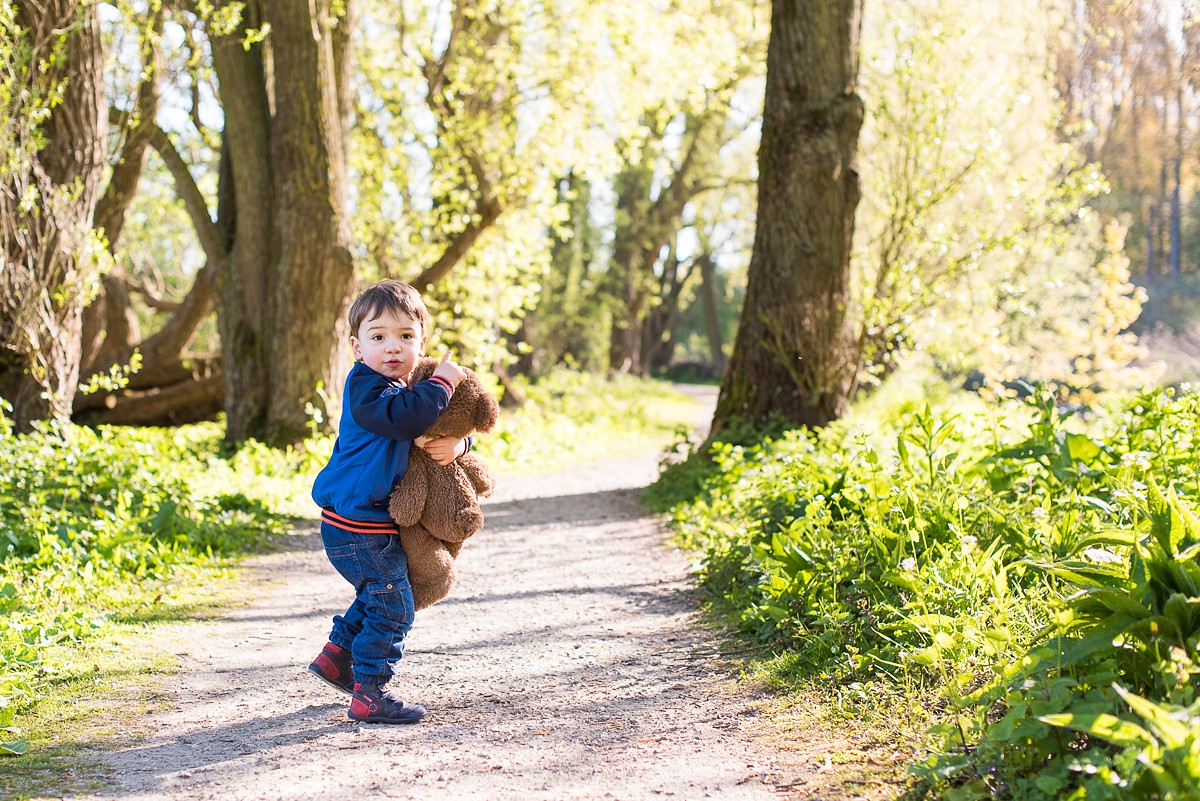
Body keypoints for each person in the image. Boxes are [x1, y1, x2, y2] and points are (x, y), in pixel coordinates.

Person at [307, 279, 469, 724]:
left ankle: (336, 657)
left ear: (422, 342)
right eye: (379, 337)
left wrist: (461, 445)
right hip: (356, 525)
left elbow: (433, 429)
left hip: (367, 522)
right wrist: (444, 381)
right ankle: (371, 690)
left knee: (382, 592)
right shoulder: (366, 389)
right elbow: (411, 418)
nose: (392, 347)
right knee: (394, 603)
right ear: (358, 348)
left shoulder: (401, 389)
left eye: (405, 336)